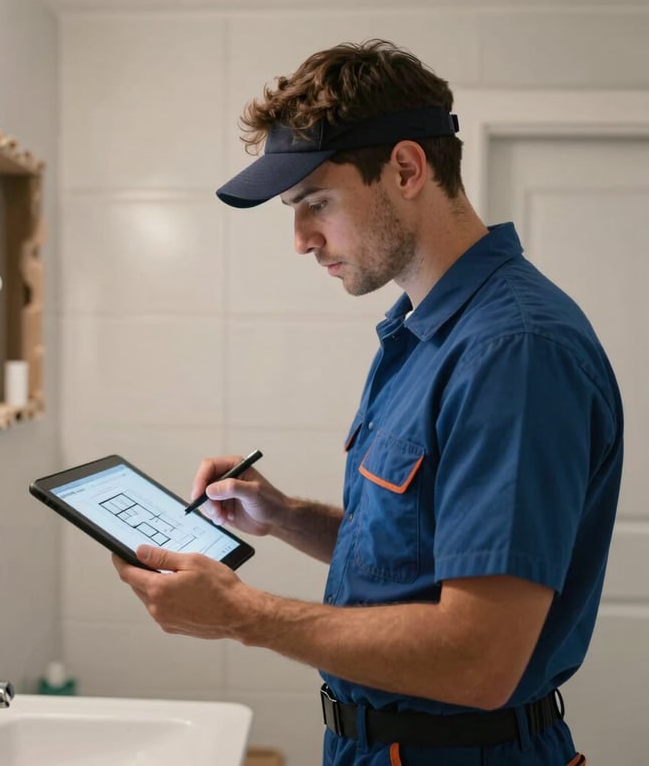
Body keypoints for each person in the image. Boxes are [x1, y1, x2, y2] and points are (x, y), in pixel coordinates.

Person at [112, 39, 623, 766]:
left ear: (406, 169)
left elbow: (481, 659)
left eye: (316, 202)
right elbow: (422, 556)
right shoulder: (423, 334)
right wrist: (286, 518)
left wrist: (241, 616)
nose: (300, 240)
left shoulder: (513, 350)